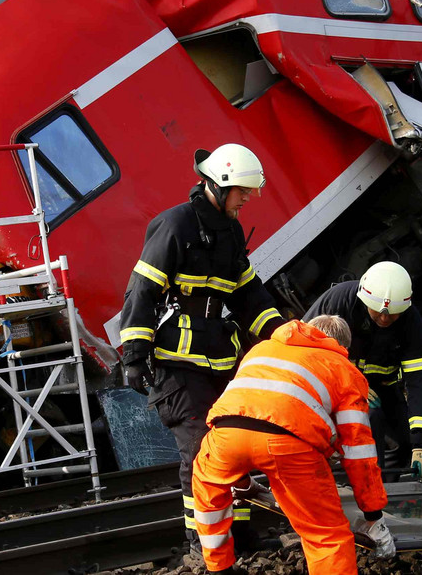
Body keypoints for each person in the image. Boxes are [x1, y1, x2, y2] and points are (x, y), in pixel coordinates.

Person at [119, 143, 285, 548]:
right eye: (243, 190)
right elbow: (141, 291)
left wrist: (281, 334)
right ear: (220, 184)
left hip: (219, 358)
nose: (248, 197)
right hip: (177, 363)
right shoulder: (175, 225)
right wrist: (134, 356)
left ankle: (241, 534)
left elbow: (247, 294)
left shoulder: (229, 231)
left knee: (235, 445)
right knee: (199, 452)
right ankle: (204, 543)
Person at [191, 315, 395, 574]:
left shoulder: (261, 349)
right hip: (289, 445)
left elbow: (250, 412)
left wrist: (242, 484)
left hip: (224, 435)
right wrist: (373, 516)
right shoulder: (344, 369)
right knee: (326, 535)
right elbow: (358, 452)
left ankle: (219, 569)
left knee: (209, 499)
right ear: (341, 345)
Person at [303, 261, 422, 480]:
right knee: (369, 424)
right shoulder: (338, 301)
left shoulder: (411, 320)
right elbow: (305, 355)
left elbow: (421, 380)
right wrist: (350, 386)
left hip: (382, 388)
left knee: (404, 442)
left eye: (393, 315)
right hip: (335, 387)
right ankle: (368, 490)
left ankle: (386, 488)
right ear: (364, 299)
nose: (385, 319)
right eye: (378, 313)